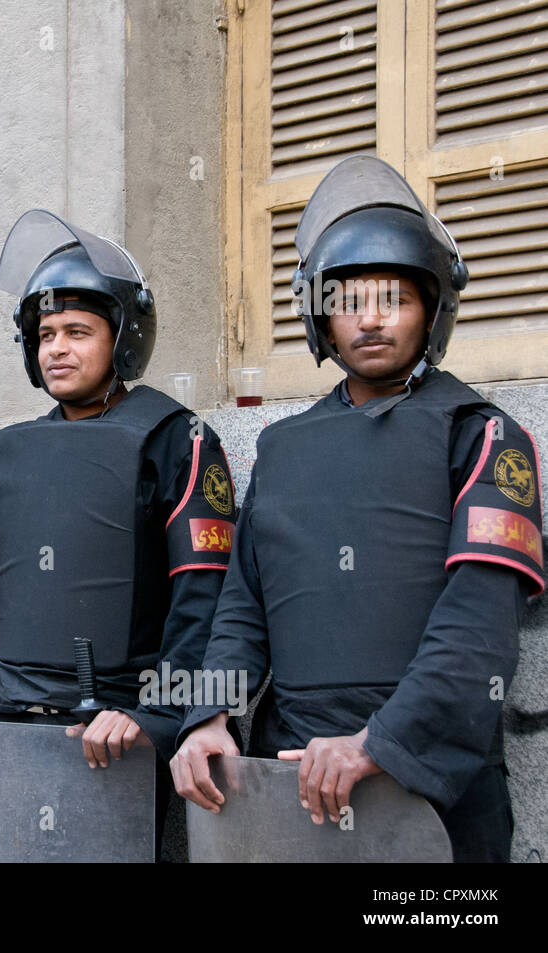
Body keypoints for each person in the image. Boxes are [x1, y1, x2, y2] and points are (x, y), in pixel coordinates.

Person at [171, 156, 542, 863]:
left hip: (435, 791)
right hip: (290, 780)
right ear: (320, 315)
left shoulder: (485, 435)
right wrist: (206, 715)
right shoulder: (282, 447)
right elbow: (242, 606)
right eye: (348, 300)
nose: (369, 319)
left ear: (432, 309)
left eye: (393, 298)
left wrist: (381, 741)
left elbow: (479, 624)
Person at [0, 211, 236, 855]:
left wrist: (157, 714)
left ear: (122, 339)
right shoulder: (21, 449)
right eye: (46, 333)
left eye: (78, 331)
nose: (57, 348)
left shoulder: (175, 438)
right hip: (13, 728)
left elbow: (203, 597)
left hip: (114, 733)